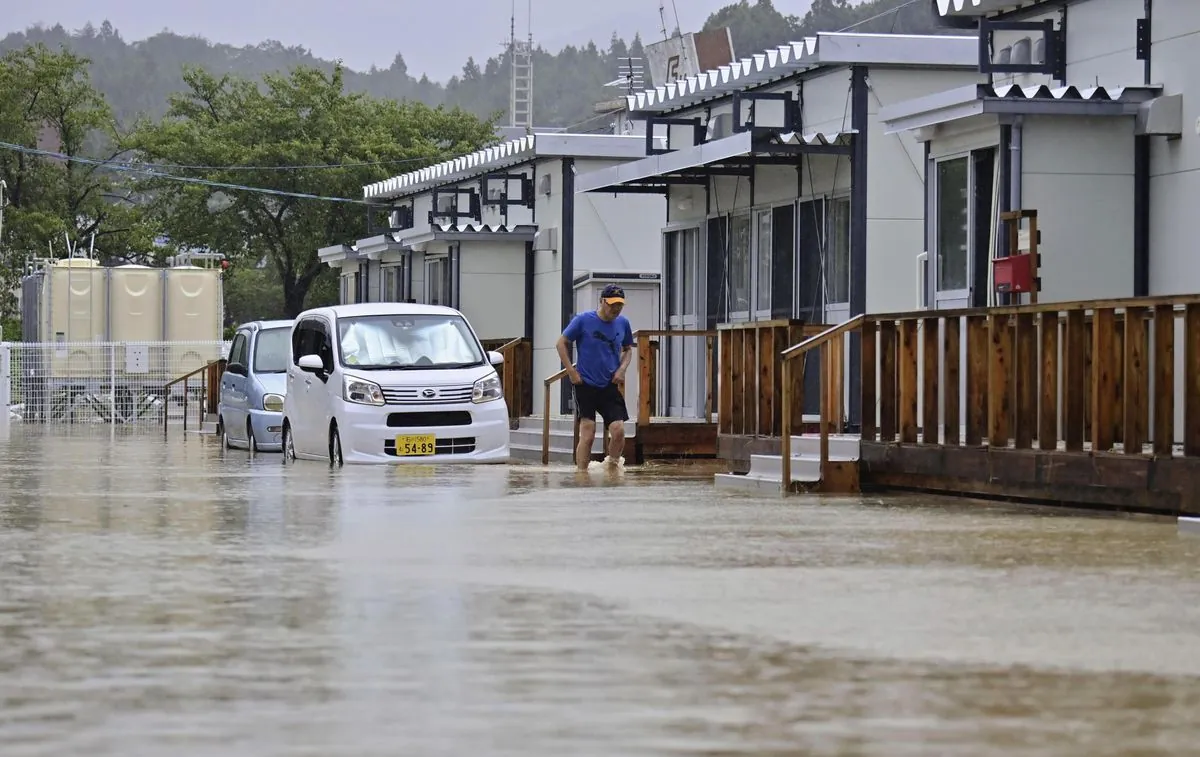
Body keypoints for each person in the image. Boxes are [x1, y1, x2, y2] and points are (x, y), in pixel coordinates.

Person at [556, 284, 633, 470]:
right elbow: (561, 343)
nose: (616, 309)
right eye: (612, 304)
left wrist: (622, 369)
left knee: (618, 430)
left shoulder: (623, 323)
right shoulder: (583, 320)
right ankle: (581, 474)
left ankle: (612, 467)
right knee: (588, 433)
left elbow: (628, 349)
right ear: (602, 301)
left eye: (619, 305)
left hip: (609, 384)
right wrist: (571, 372)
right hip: (585, 383)